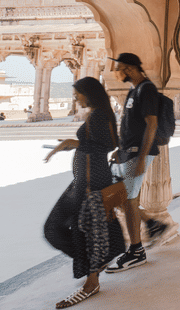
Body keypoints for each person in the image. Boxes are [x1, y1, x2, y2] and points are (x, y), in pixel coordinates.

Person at [43, 77, 124, 308]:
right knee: (76, 228)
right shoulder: (100, 113)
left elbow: (105, 146)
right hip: (84, 181)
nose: (75, 97)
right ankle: (93, 265)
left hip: (90, 182)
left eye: (77, 93)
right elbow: (103, 144)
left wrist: (73, 143)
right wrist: (69, 144)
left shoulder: (99, 115)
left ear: (88, 93)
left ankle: (92, 278)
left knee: (82, 229)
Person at [105, 52, 165, 273]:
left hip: (137, 154)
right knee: (123, 198)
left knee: (129, 201)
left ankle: (136, 251)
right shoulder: (135, 89)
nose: (116, 73)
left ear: (129, 69)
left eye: (118, 69)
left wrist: (141, 157)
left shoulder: (146, 89)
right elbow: (132, 126)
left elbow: (152, 124)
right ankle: (152, 224)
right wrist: (119, 151)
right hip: (127, 153)